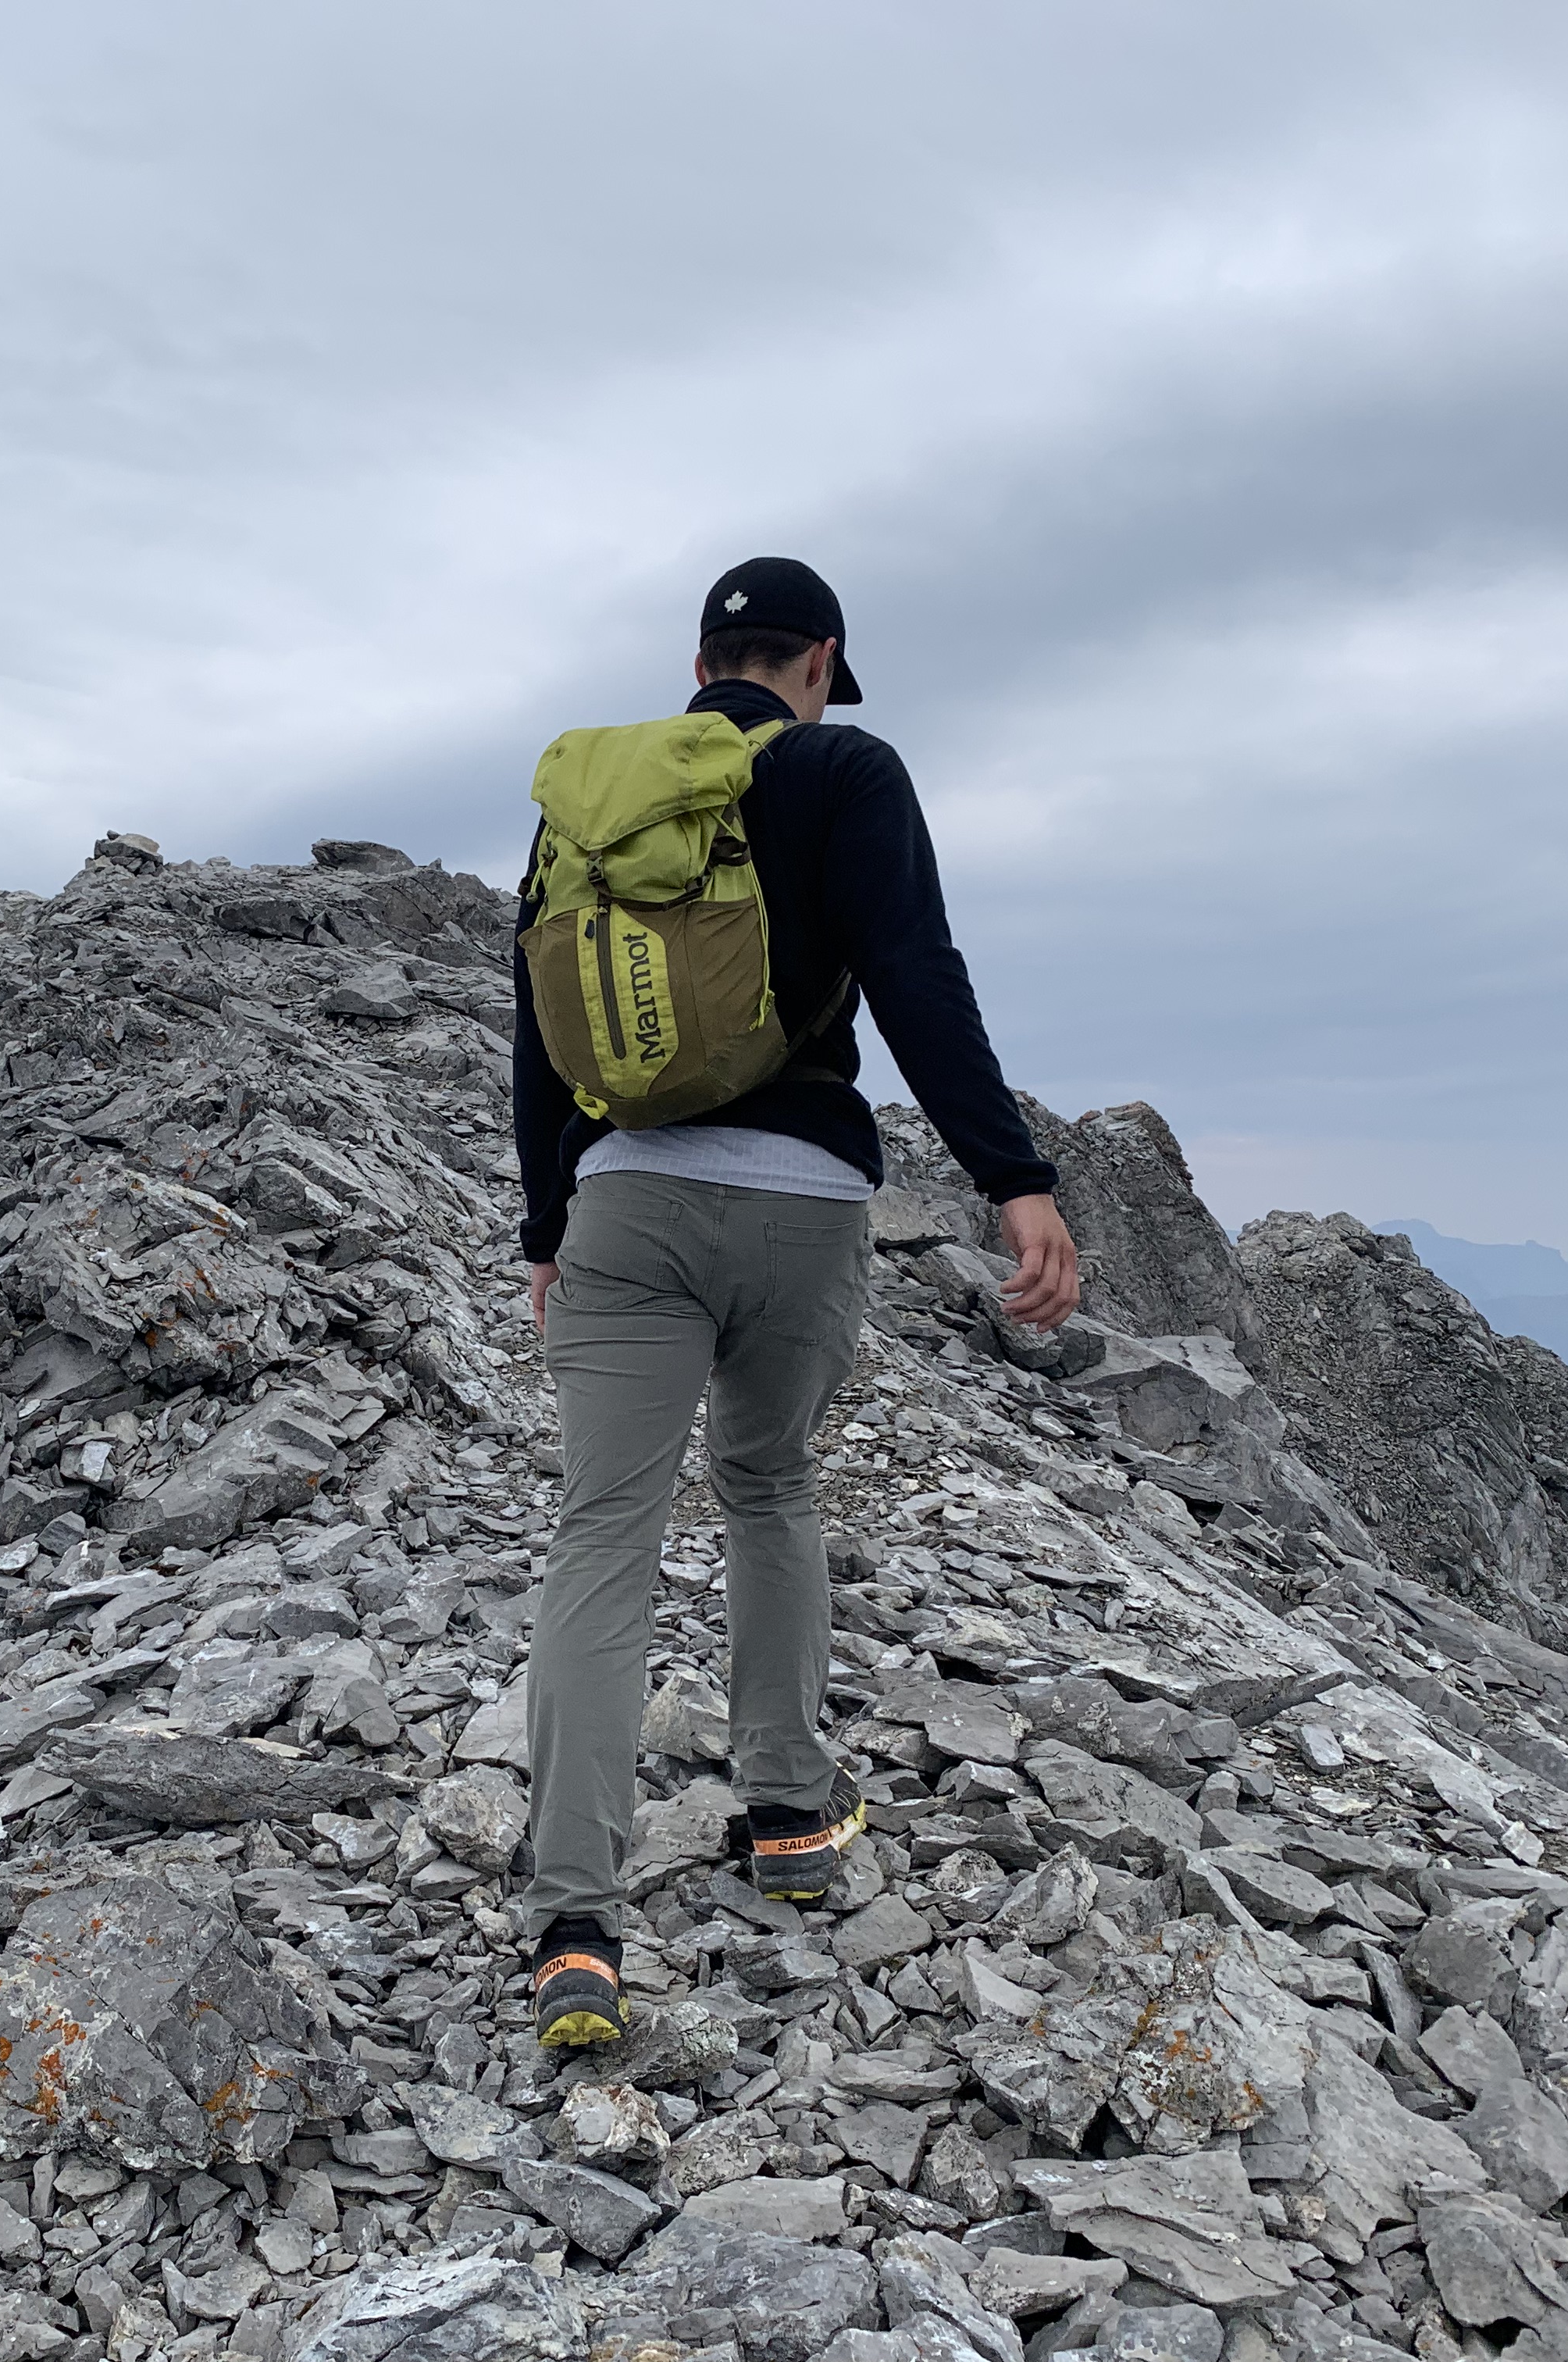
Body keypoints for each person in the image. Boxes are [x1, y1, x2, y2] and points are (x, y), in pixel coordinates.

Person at [508, 555, 1079, 2047]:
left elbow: (538, 1013)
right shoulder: (845, 769)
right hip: (807, 1203)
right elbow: (914, 973)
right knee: (767, 1489)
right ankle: (786, 1817)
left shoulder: (598, 799)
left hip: (624, 1195)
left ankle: (575, 1918)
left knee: (604, 1532)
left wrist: (546, 1223)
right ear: (817, 659)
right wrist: (1014, 1179)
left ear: (704, 657)